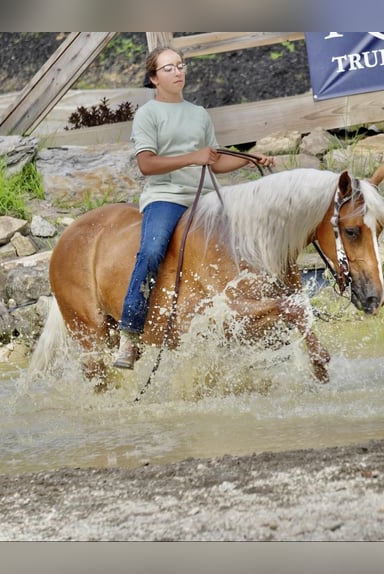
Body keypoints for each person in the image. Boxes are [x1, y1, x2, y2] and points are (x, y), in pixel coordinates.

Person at [113, 46, 275, 369]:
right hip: (166, 198)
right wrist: (193, 157)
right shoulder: (148, 115)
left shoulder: (199, 114)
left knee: (241, 243)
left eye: (181, 65)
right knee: (151, 251)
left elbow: (213, 162)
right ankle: (129, 336)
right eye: (169, 68)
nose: (178, 72)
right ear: (153, 78)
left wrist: (250, 159)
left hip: (203, 200)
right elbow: (146, 164)